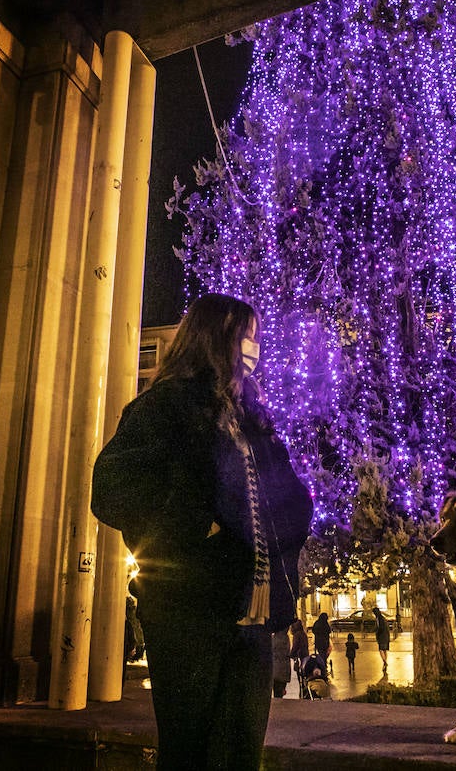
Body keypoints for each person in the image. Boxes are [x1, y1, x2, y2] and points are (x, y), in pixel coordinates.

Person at [91, 293, 314, 771]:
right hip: (189, 613)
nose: (255, 347)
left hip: (253, 619)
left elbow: (288, 496)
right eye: (246, 336)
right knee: (190, 751)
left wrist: (289, 524)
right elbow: (112, 488)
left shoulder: (252, 418)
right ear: (216, 339)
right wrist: (201, 524)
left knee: (240, 753)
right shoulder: (164, 406)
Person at [271, 629, 291, 698]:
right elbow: (288, 651)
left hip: (275, 666)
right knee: (281, 687)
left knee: (276, 687)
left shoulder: (273, 638)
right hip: (284, 667)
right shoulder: (286, 638)